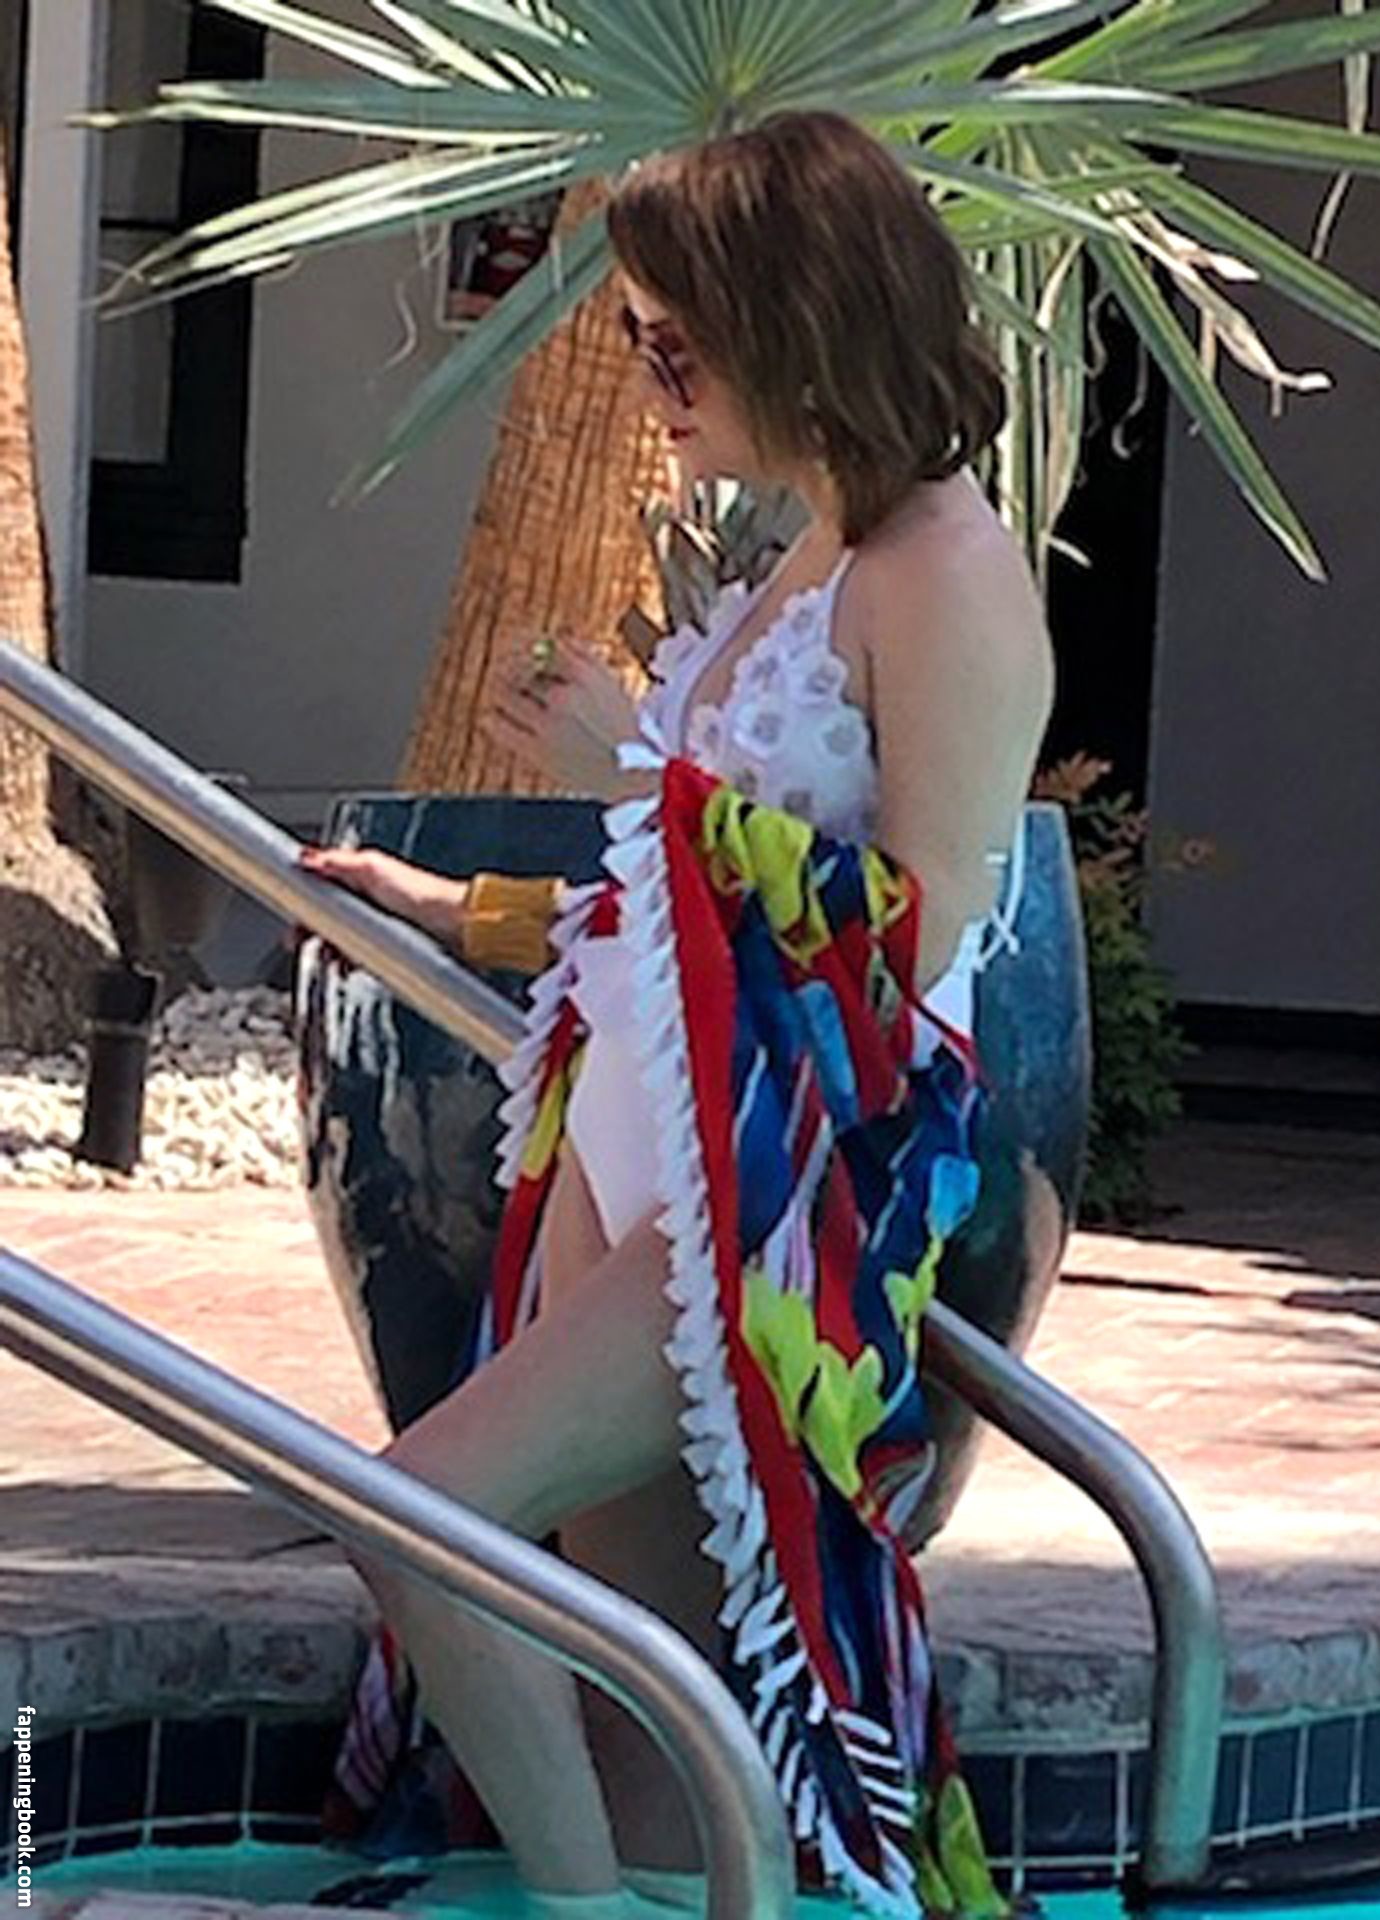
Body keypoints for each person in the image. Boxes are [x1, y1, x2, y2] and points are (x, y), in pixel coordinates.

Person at [300, 111, 1054, 1920]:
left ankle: (574, 1915)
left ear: (796, 320)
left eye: (673, 344)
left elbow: (915, 943)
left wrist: (637, 769)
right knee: (646, 1704)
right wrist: (464, 911)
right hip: (649, 1147)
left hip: (775, 1199)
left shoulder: (947, 577)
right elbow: (679, 900)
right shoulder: (815, 547)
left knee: (422, 1513)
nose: (649, 381)